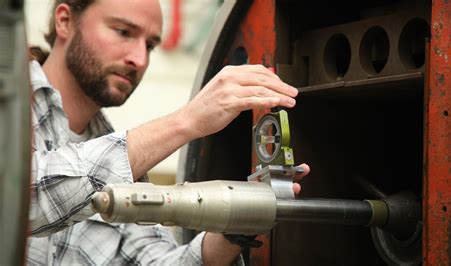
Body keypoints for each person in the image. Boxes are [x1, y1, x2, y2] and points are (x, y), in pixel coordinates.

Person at [26, 0, 310, 265]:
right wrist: (186, 121)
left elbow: (155, 259)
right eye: (123, 32)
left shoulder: (111, 157)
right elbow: (23, 203)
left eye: (149, 46)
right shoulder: (9, 104)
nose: (138, 58)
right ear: (65, 21)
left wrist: (241, 220)